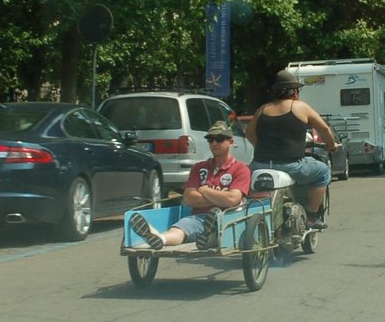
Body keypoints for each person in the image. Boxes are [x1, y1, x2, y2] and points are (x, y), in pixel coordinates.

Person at [130, 121, 250, 251]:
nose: (214, 143)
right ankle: (160, 239)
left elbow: (233, 200)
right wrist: (220, 200)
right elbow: (188, 198)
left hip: (228, 218)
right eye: (210, 140)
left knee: (217, 219)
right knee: (179, 229)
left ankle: (211, 236)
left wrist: (204, 190)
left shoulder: (241, 169)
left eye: (219, 139)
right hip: (199, 218)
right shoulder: (199, 168)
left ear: (230, 142)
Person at [247, 69, 340, 228]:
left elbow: (249, 134)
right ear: (295, 92)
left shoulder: (262, 110)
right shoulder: (300, 107)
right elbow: (324, 129)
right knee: (323, 171)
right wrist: (332, 146)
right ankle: (311, 216)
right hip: (291, 165)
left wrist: (261, 148)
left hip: (259, 165)